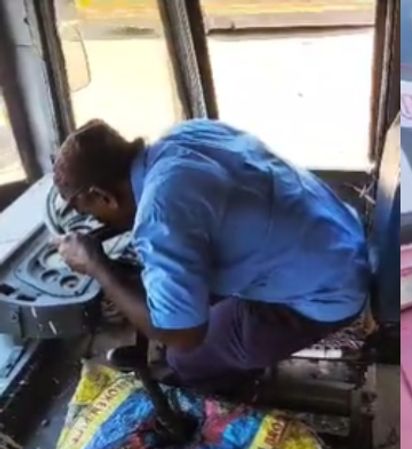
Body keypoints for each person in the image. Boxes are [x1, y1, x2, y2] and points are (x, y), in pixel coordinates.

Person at [54, 118, 369, 390]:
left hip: (328, 293)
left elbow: (182, 334)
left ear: (102, 195)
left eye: (94, 214)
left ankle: (234, 392)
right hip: (338, 237)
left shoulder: (160, 214)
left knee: (184, 357)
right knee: (177, 303)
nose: (98, 223)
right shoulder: (190, 133)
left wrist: (98, 267)